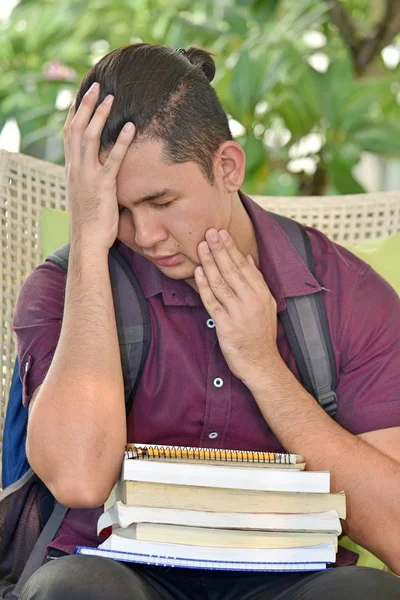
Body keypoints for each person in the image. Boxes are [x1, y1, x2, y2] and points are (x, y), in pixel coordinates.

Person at [13, 43, 400, 600]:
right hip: (112, 575)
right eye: (118, 209)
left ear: (227, 167)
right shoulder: (62, 288)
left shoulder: (348, 295)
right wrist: (90, 249)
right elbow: (79, 477)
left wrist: (265, 369)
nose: (144, 236)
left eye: (162, 201)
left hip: (292, 581)